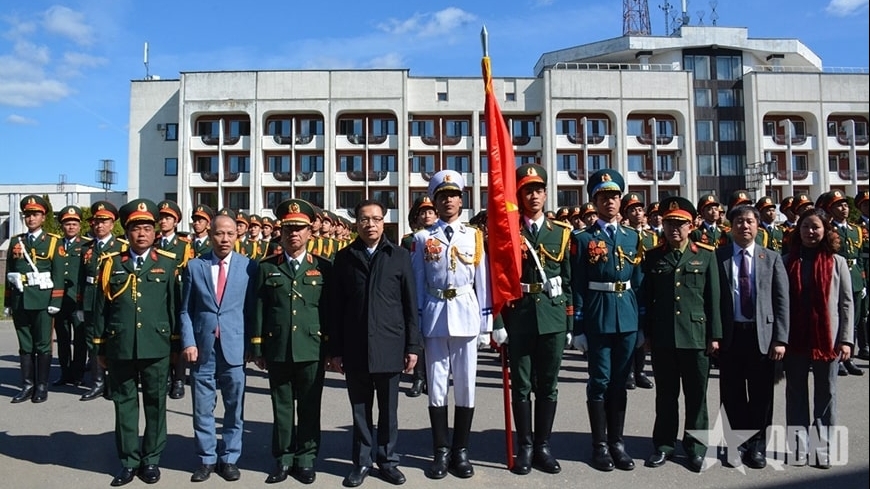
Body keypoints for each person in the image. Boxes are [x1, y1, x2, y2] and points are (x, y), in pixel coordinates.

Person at [329, 199, 422, 488]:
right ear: (356, 222)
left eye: (376, 218)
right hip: (355, 346)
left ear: (384, 222)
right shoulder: (344, 257)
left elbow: (410, 304)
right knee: (360, 409)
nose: (370, 224)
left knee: (388, 410)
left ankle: (388, 460)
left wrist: (413, 347)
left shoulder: (399, 255)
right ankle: (362, 461)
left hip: (390, 344)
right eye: (365, 219)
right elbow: (336, 308)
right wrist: (335, 350)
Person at [491, 164, 572, 475]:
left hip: (552, 317)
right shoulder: (509, 231)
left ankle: (543, 446)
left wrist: (569, 324)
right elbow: (498, 280)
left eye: (538, 189)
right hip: (520, 316)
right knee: (521, 385)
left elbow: (569, 280)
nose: (534, 195)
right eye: (527, 190)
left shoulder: (561, 233)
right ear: (519, 195)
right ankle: (525, 446)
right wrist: (498, 322)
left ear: (545, 193)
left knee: (548, 386)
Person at [412, 170, 492, 479]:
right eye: (442, 196)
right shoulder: (423, 238)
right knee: (436, 386)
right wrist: (418, 321)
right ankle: (440, 451)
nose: (448, 200)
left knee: (466, 386)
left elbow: (481, 281)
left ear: (461, 199)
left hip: (466, 312)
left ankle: (461, 451)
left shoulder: (474, 235)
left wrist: (486, 323)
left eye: (453, 195)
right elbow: (418, 281)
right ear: (434, 201)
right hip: (434, 312)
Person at [94, 199, 178, 486]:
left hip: (156, 346)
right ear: (126, 232)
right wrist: (100, 346)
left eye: (147, 228)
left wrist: (175, 346)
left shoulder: (167, 263)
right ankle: (128, 461)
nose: (141, 233)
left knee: (156, 404)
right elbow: (100, 308)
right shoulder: (110, 264)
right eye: (135, 228)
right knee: (125, 405)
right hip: (121, 346)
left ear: (155, 232)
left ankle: (152, 460)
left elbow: (174, 307)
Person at [638, 196, 722, 473]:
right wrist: (647, 334)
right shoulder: (653, 257)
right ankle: (663, 445)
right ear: (662, 225)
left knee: (697, 397)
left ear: (692, 225)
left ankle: (696, 448)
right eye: (670, 223)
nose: (675, 228)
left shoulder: (707, 255)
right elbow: (647, 301)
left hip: (696, 336)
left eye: (681, 223)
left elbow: (714, 300)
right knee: (666, 396)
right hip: (664, 338)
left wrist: (715, 336)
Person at [251, 199, 332, 485]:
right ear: (280, 233)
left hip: (312, 346)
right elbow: (258, 308)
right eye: (288, 229)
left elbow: (329, 310)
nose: (293, 234)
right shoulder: (266, 267)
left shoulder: (323, 267)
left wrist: (331, 349)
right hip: (278, 346)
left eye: (299, 229)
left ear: (310, 232)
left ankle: (306, 458)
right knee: (281, 406)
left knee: (310, 405)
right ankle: (284, 458)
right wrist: (258, 347)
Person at [570, 169, 642, 472]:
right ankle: (599, 445)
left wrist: (641, 325)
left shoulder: (633, 236)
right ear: (594, 201)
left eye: (614, 196)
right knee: (599, 381)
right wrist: (579, 328)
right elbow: (578, 285)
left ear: (620, 200)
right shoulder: (583, 239)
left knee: (620, 382)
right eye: (603, 197)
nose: (609, 201)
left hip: (626, 316)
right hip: (598, 315)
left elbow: (638, 282)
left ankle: (617, 443)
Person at [180, 213, 258, 483]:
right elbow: (186, 310)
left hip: (235, 348)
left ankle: (230, 458)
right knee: (202, 408)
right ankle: (206, 459)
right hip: (203, 349)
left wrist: (251, 345)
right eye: (218, 234)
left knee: (234, 408)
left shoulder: (249, 267)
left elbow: (251, 311)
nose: (224, 239)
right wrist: (188, 341)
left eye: (229, 234)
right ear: (210, 235)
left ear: (237, 235)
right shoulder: (194, 266)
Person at [715, 204, 789, 469]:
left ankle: (757, 446)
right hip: (731, 335)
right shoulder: (719, 256)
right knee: (732, 394)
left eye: (749, 221)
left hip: (763, 337)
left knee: (761, 395)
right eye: (738, 221)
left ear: (757, 226)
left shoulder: (771, 258)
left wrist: (780, 339)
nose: (744, 226)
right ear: (731, 226)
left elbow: (782, 301)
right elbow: (713, 300)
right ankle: (737, 444)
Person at [783, 207, 854, 468]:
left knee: (827, 393)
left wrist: (846, 340)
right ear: (797, 231)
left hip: (828, 339)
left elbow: (847, 304)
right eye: (805, 227)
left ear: (825, 231)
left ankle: (822, 447)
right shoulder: (786, 261)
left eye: (815, 227)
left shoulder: (837, 262)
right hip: (795, 338)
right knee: (796, 392)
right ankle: (799, 447)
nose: (810, 232)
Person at [5, 195, 62, 404]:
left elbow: (58, 276)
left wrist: (55, 302)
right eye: (27, 215)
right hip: (21, 300)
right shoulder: (15, 241)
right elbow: (10, 273)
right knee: (25, 344)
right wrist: (9, 302)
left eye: (35, 214)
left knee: (43, 344)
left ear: (43, 216)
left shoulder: (53, 242)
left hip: (43, 301)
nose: (31, 218)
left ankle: (41, 386)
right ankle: (27, 385)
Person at [78, 201, 126, 401]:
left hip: (111, 301)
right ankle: (97, 383)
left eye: (104, 221)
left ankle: (113, 382)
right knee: (93, 342)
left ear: (112, 223)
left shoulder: (122, 247)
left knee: (113, 341)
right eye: (96, 222)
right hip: (91, 300)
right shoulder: (87, 248)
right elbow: (82, 278)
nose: (99, 225)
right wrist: (81, 304)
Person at [818, 190, 865, 377]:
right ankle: (836, 359)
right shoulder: (828, 229)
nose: (844, 208)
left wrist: (862, 280)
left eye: (845, 204)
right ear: (830, 208)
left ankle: (849, 357)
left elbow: (859, 256)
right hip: (835, 276)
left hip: (853, 278)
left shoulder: (856, 230)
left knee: (852, 320)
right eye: (839, 205)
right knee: (836, 319)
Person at [156, 199, 193, 400]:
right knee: (161, 337)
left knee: (177, 339)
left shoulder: (183, 246)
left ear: (176, 221)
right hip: (158, 296)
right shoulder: (154, 243)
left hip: (177, 296)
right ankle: (166, 379)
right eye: (161, 218)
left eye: (168, 218)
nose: (163, 221)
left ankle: (178, 379)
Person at [401, 195, 437, 398]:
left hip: (437, 292)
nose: (427, 215)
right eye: (423, 212)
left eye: (430, 211)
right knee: (419, 339)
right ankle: (419, 377)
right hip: (418, 291)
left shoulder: (442, 236)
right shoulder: (409, 240)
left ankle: (434, 378)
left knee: (436, 340)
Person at [620, 192, 656, 390]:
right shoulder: (624, 235)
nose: (638, 212)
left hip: (645, 288)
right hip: (629, 289)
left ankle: (640, 370)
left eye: (640, 209)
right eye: (633, 209)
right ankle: (629, 372)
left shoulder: (651, 236)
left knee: (643, 331)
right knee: (630, 331)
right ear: (626, 213)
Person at [52, 205, 90, 387]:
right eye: (67, 223)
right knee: (63, 338)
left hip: (78, 300)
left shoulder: (86, 245)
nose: (71, 227)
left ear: (80, 225)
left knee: (80, 339)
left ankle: (78, 373)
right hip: (59, 300)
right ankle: (64, 372)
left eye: (74, 223)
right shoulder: (55, 244)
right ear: (62, 226)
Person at [855, 190, 870, 360]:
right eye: (865, 204)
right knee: (863, 311)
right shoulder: (858, 227)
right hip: (864, 268)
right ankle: (864, 345)